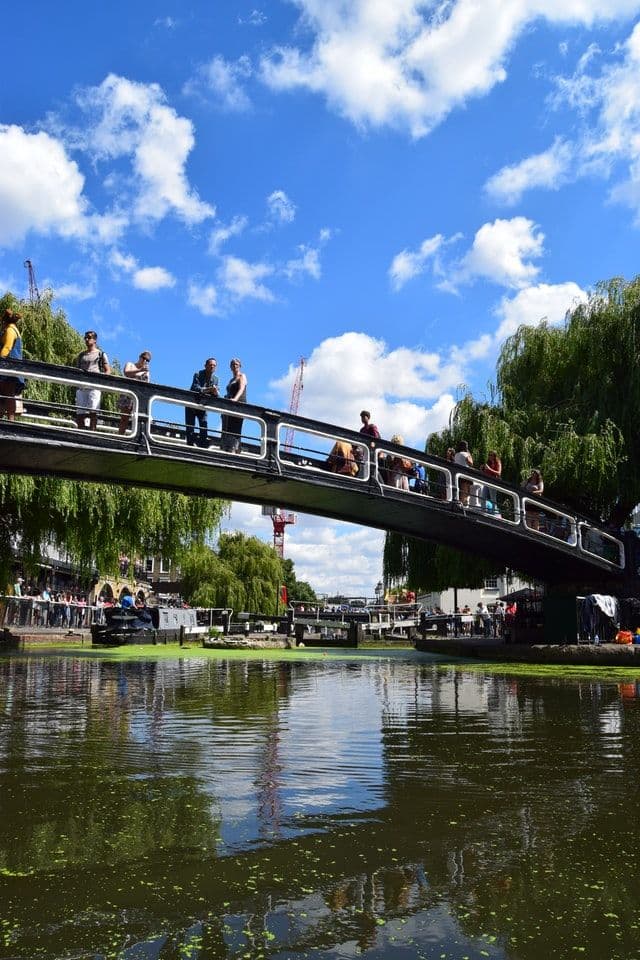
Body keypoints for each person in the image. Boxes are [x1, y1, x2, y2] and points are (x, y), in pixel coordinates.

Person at [76, 330, 111, 431]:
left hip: (94, 386)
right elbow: (77, 369)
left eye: (89, 337)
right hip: (82, 386)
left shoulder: (101, 354)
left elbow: (108, 370)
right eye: (85, 337)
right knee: (80, 411)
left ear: (95, 340)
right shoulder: (81, 355)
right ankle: (80, 432)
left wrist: (101, 380)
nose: (87, 339)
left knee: (93, 410)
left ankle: (92, 432)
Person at [186, 357, 219, 447]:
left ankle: (202, 445)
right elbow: (195, 388)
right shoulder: (198, 374)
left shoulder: (215, 379)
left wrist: (215, 393)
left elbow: (214, 395)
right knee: (190, 427)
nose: (212, 367)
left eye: (214, 365)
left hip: (203, 406)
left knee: (204, 426)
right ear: (205, 366)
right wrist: (209, 389)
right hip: (192, 404)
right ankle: (189, 446)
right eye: (210, 365)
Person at [0, 308, 25, 421]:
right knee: (5, 393)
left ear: (4, 322)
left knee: (8, 393)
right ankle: (6, 418)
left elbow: (7, 347)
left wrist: (1, 359)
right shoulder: (14, 329)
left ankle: (11, 420)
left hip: (9, 366)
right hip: (12, 365)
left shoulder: (10, 330)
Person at [118, 351, 151, 434]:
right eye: (144, 358)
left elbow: (147, 384)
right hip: (128, 395)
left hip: (139, 396)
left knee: (138, 419)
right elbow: (126, 373)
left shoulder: (146, 372)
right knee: (124, 418)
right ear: (140, 357)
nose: (145, 361)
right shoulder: (130, 364)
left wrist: (145, 374)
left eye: (147, 360)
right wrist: (140, 370)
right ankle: (120, 436)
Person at [221, 358, 247, 453]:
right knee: (228, 427)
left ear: (240, 366)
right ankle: (227, 448)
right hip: (229, 406)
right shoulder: (231, 379)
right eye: (232, 364)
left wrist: (235, 399)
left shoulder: (242, 376)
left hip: (238, 405)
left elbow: (241, 388)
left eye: (236, 364)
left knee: (235, 428)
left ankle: (235, 449)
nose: (234, 366)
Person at [454, 441, 474, 506]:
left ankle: (460, 503)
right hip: (465, 475)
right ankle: (464, 505)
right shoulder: (466, 454)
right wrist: (469, 454)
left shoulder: (456, 455)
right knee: (465, 492)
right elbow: (471, 463)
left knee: (460, 491)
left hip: (458, 475)